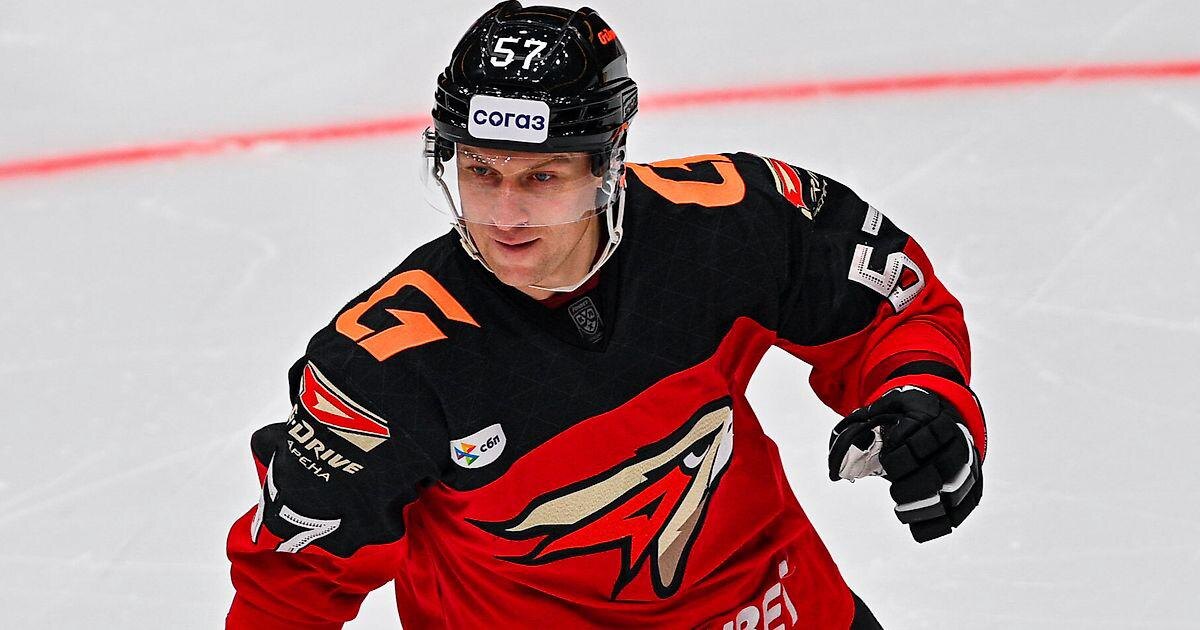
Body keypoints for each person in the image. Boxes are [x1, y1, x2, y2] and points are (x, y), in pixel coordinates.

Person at [226, 2, 987, 628]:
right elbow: (290, 585)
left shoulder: (726, 223)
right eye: (481, 172)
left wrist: (925, 398)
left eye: (542, 176)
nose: (504, 214)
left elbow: (893, 306)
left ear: (610, 160)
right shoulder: (385, 365)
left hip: (778, 611)